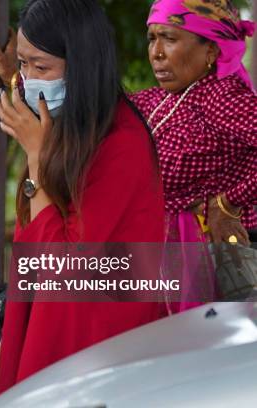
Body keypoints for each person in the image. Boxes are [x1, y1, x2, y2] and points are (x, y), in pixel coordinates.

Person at [0, 0, 167, 397]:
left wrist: (35, 156)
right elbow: (31, 247)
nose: (29, 78)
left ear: (82, 64)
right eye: (22, 64)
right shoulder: (64, 126)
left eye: (42, 67)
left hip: (90, 345)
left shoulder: (121, 144)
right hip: (44, 322)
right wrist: (7, 348)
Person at [130, 0, 256, 311]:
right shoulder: (159, 100)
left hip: (223, 262)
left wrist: (230, 201)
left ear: (211, 51)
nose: (156, 52)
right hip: (172, 258)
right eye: (152, 38)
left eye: (170, 39)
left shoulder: (222, 97)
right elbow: (90, 114)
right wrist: (23, 79)